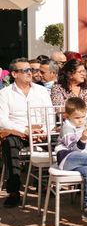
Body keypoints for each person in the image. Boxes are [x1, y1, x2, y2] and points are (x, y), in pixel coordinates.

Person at [0, 58, 53, 207]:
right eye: (25, 70)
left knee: (57, 142)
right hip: (19, 133)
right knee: (9, 144)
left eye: (31, 70)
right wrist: (25, 130)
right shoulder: (5, 94)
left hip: (41, 131)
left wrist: (43, 131)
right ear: (14, 74)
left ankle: (44, 185)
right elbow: (2, 120)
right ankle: (14, 191)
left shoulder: (41, 91)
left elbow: (50, 115)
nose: (30, 73)